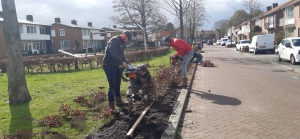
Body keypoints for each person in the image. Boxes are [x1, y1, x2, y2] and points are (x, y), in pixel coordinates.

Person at [102, 31, 132, 111]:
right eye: (128, 40)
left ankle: (118, 101)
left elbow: (121, 55)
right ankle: (111, 106)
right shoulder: (114, 40)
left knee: (118, 83)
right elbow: (112, 52)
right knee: (112, 85)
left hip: (116, 65)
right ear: (124, 36)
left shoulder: (122, 43)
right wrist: (122, 62)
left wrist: (128, 64)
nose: (128, 42)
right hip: (108, 65)